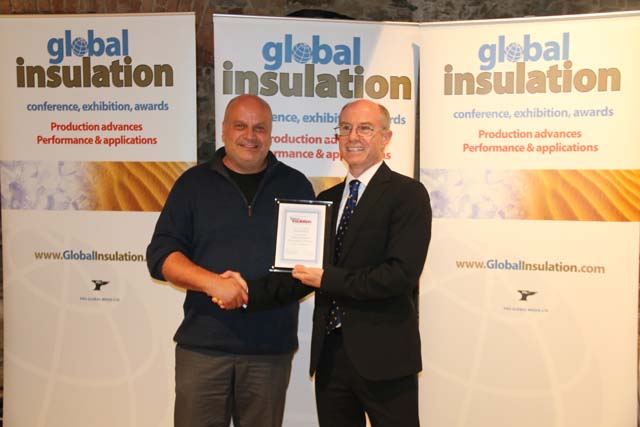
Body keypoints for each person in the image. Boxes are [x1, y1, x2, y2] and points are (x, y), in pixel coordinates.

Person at [224, 99, 431, 427]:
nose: (353, 136)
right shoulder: (326, 201)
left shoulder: (408, 195)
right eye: (345, 128)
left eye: (364, 128)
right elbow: (300, 276)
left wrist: (328, 279)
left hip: (385, 358)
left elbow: (400, 275)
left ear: (386, 137)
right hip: (331, 358)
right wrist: (246, 290)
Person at [146, 94, 315, 427]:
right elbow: (161, 255)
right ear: (223, 130)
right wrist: (213, 284)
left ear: (271, 134)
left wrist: (247, 293)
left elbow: (305, 271)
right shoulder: (192, 184)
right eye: (240, 126)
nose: (250, 136)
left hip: (269, 351)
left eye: (259, 128)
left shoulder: (295, 185)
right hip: (203, 348)